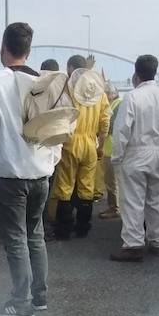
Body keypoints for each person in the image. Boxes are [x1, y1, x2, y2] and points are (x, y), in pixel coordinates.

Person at [0, 22, 58, 316]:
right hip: (41, 174)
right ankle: (39, 296)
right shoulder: (47, 82)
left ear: (3, 48)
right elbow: (56, 130)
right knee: (35, 235)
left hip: (10, 175)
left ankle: (20, 302)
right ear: (29, 50)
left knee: (16, 238)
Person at [109, 55, 159, 262]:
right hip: (158, 151)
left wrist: (117, 157)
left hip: (136, 152)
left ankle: (134, 244)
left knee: (133, 201)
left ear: (136, 74)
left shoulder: (133, 96)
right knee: (156, 199)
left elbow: (121, 130)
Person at [51, 55, 110, 240]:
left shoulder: (68, 89)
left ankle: (64, 230)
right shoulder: (99, 91)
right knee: (87, 186)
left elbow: (59, 116)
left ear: (71, 68)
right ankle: (83, 228)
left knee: (65, 186)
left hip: (71, 142)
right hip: (91, 143)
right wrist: (100, 143)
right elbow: (105, 119)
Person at [97, 87, 123, 220]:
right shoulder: (113, 103)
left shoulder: (118, 104)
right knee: (110, 180)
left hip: (111, 148)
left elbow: (110, 125)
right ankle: (113, 206)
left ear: (114, 93)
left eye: (107, 93)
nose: (105, 95)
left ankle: (115, 208)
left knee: (112, 181)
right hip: (109, 148)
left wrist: (100, 127)